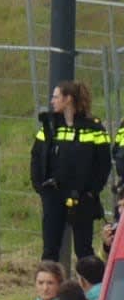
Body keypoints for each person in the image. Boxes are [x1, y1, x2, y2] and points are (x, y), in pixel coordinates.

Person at [32, 81, 110, 264]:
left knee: (84, 249)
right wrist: (40, 187)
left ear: (68, 100)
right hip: (54, 195)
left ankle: (91, 289)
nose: (52, 101)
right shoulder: (50, 126)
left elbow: (103, 164)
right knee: (50, 249)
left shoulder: (93, 128)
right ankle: (49, 290)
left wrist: (92, 192)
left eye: (56, 97)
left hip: (82, 197)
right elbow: (36, 155)